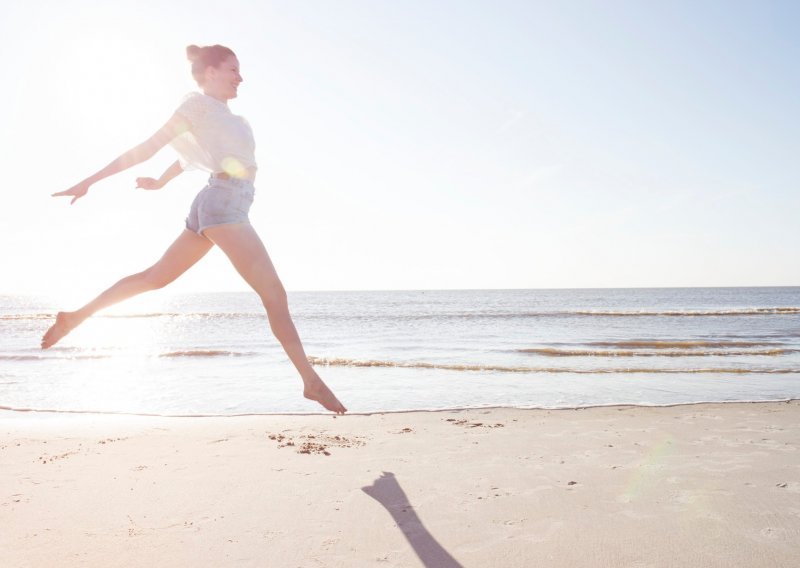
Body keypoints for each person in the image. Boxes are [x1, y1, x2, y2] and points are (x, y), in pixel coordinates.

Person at [41, 44, 347, 415]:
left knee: (155, 278)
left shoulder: (228, 117)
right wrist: (90, 180)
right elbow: (148, 147)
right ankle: (310, 381)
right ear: (211, 72)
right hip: (223, 206)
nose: (240, 77)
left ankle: (76, 316)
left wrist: (160, 183)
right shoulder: (196, 106)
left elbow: (187, 157)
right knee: (274, 295)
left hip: (220, 203)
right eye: (233, 69)